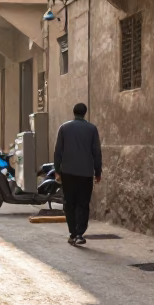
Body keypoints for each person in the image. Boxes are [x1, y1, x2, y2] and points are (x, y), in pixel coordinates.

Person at [53, 102, 102, 246]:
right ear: (85, 113)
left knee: (69, 203)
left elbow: (58, 152)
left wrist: (57, 170)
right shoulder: (92, 129)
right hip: (86, 173)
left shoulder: (64, 128)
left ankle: (72, 233)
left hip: (67, 172)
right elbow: (97, 153)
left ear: (73, 112)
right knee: (83, 203)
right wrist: (98, 172)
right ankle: (80, 233)